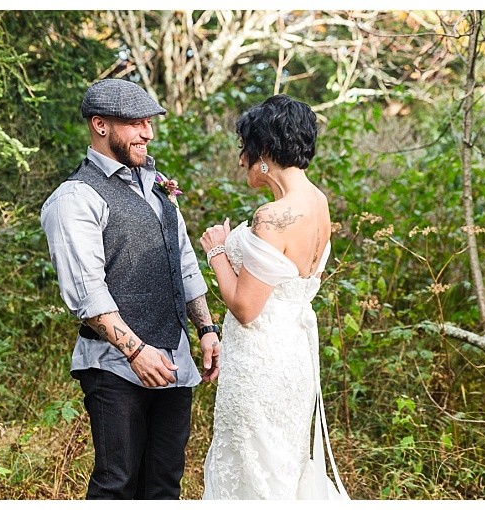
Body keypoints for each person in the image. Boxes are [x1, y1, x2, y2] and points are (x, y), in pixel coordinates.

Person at [40, 78, 222, 499]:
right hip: (114, 366)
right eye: (137, 123)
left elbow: (184, 264)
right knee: (116, 484)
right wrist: (135, 351)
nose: (148, 133)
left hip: (174, 361)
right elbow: (87, 293)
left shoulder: (158, 187)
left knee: (163, 485)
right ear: (100, 125)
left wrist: (207, 330)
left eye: (150, 122)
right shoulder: (75, 197)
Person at [199, 94, 345, 499]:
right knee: (281, 463)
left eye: (245, 149)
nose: (241, 161)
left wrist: (216, 250)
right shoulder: (318, 202)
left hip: (259, 363)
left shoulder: (272, 215)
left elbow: (246, 307)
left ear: (264, 150)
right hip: (293, 359)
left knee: (252, 469)